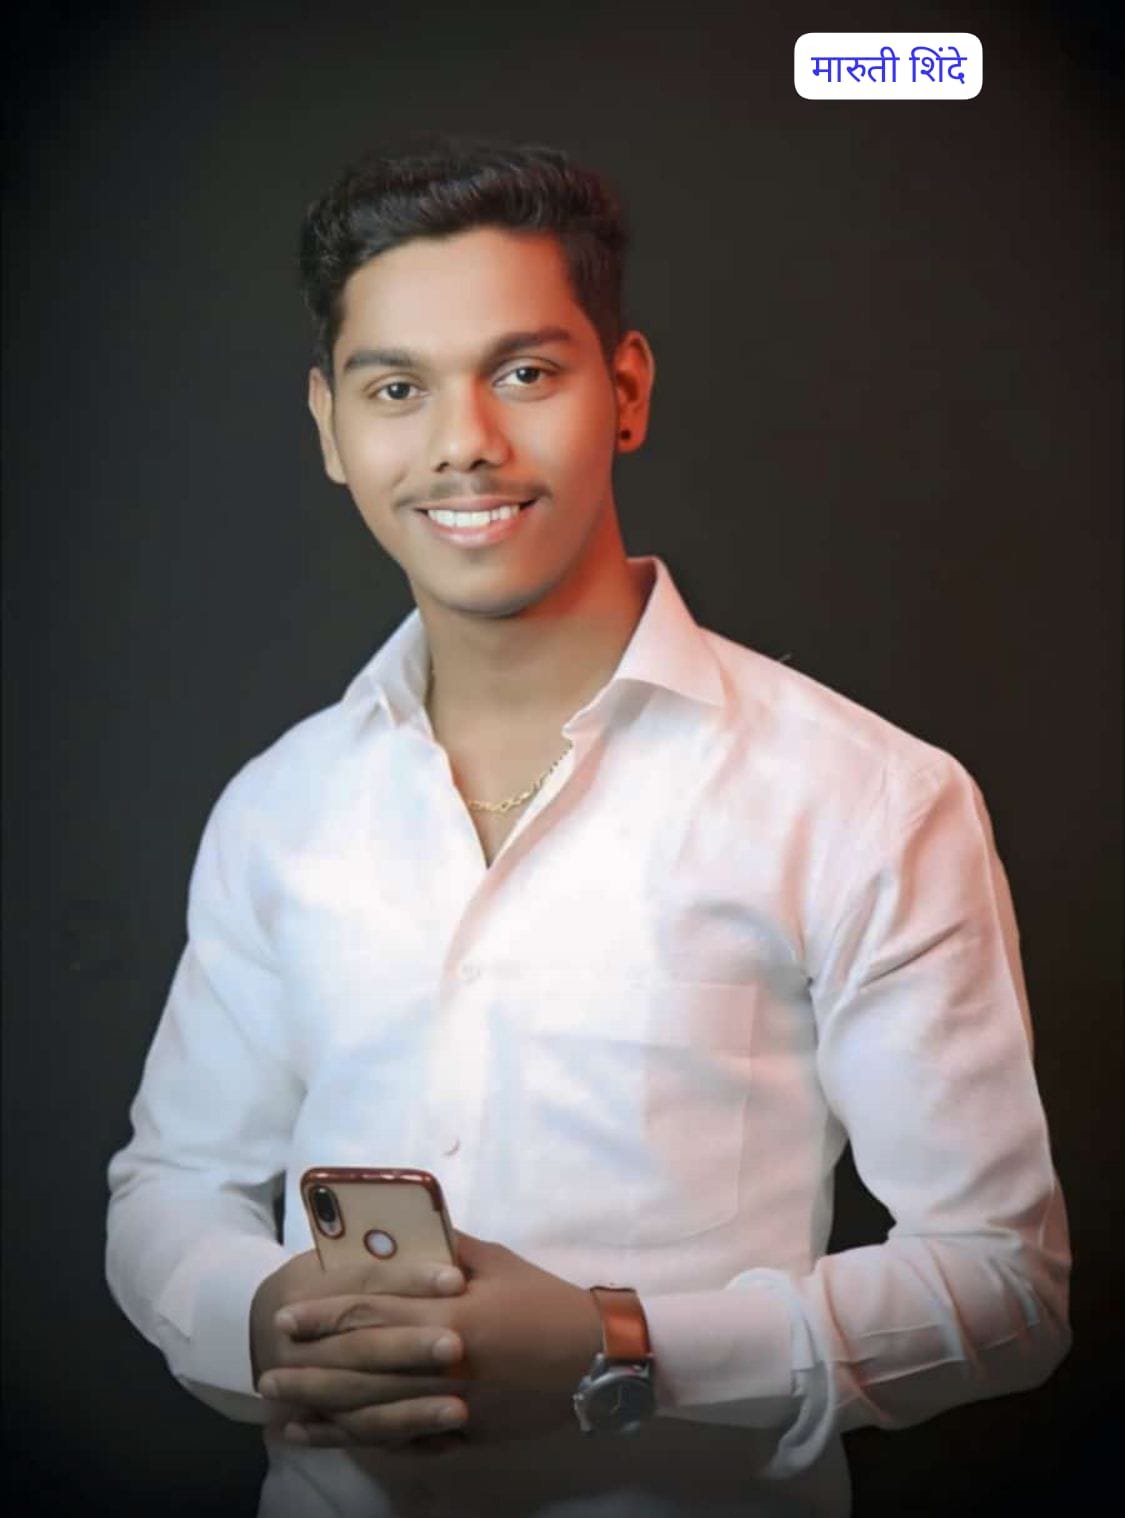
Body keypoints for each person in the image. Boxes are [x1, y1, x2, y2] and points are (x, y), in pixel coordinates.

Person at [105, 137, 1071, 1518]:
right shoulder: (278, 806)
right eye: (396, 388)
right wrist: (257, 1322)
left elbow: (1003, 1284)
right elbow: (169, 1188)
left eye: (522, 372)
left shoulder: (867, 799)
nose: (462, 443)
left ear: (624, 390)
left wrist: (617, 1347)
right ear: (329, 426)